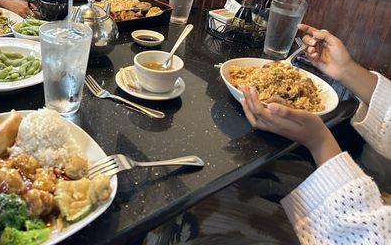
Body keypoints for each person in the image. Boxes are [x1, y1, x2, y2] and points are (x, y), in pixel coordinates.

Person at [144, 24, 390, 245]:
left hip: (344, 224)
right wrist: (346, 69)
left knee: (189, 205)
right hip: (357, 195)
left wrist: (319, 141)